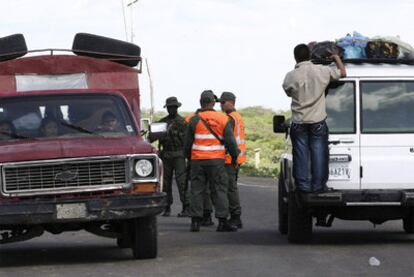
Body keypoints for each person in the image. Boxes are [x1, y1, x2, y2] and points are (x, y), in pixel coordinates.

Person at [282, 44, 346, 194]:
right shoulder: (322, 71)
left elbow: (288, 91)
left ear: (295, 57)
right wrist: (336, 58)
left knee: (300, 155)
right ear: (310, 55)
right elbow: (342, 73)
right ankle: (318, 187)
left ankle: (303, 187)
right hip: (317, 121)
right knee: (319, 153)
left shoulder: (290, 76)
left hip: (299, 122)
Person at [184, 90, 240, 232]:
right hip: (216, 161)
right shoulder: (222, 119)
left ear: (200, 102)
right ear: (213, 103)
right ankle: (222, 221)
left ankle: (195, 222)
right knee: (219, 190)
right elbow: (231, 142)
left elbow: (187, 144)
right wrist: (234, 157)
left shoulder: (194, 119)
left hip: (197, 160)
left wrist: (188, 159)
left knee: (196, 190)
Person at [150, 97, 189, 217]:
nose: (171, 109)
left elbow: (188, 140)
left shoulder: (183, 123)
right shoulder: (162, 123)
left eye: (173, 107)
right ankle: (167, 207)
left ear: (177, 108)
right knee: (166, 183)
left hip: (179, 155)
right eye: (169, 107)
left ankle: (186, 207)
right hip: (166, 155)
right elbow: (151, 138)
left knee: (182, 182)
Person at [216, 91, 246, 228]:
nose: (221, 106)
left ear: (231, 102)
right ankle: (235, 216)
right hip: (237, 158)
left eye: (223, 102)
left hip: (230, 159)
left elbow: (228, 140)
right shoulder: (237, 116)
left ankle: (235, 217)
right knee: (231, 188)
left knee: (230, 189)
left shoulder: (229, 118)